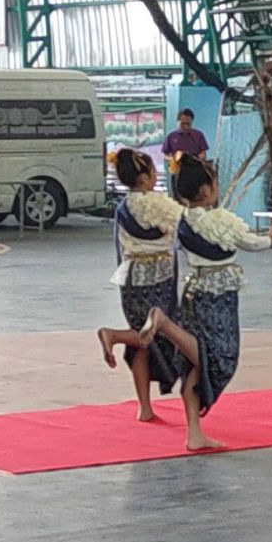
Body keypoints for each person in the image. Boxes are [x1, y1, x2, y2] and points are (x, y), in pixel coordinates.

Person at [126, 155, 272, 450]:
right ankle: (165, 324)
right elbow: (251, 243)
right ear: (205, 190)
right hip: (219, 294)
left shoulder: (183, 220)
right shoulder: (220, 220)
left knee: (195, 364)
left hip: (194, 291)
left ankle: (194, 433)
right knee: (221, 357)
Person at [96, 149, 183, 422]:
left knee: (142, 341)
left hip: (131, 277)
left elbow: (121, 248)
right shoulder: (158, 205)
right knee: (159, 330)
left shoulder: (123, 208)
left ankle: (145, 407)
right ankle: (114, 335)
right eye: (153, 172)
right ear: (144, 178)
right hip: (159, 276)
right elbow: (184, 226)